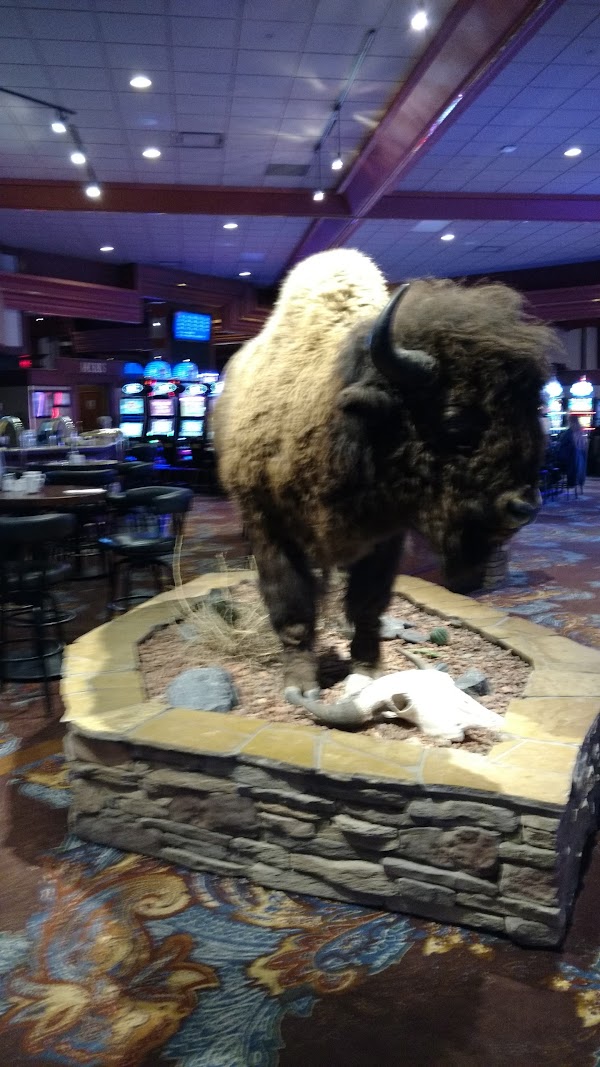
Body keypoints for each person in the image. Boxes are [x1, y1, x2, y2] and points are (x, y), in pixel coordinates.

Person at [558, 414, 587, 493]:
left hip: (569, 462)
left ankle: (553, 481)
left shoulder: (569, 433)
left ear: (570, 422)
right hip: (578, 463)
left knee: (552, 462)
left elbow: (561, 445)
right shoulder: (581, 432)